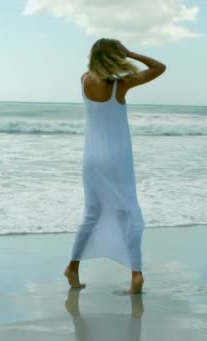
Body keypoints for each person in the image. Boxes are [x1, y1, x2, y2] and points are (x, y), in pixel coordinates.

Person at [64, 38, 166, 295]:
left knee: (91, 213)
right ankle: (136, 275)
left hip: (91, 159)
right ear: (115, 57)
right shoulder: (120, 85)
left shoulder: (84, 79)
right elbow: (159, 67)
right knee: (129, 214)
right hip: (117, 158)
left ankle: (73, 267)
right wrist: (131, 53)